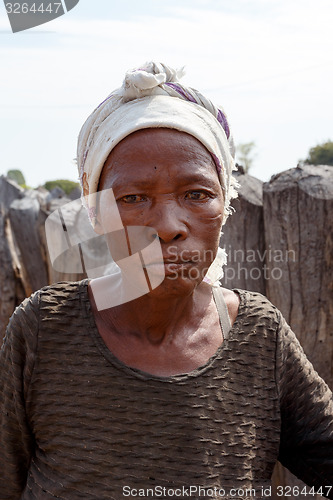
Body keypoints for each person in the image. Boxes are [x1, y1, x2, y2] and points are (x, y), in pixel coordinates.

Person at [0, 62, 332, 500]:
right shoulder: (42, 329)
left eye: (196, 194)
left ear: (224, 204)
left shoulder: (259, 336)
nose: (168, 225)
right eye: (133, 198)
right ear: (97, 213)